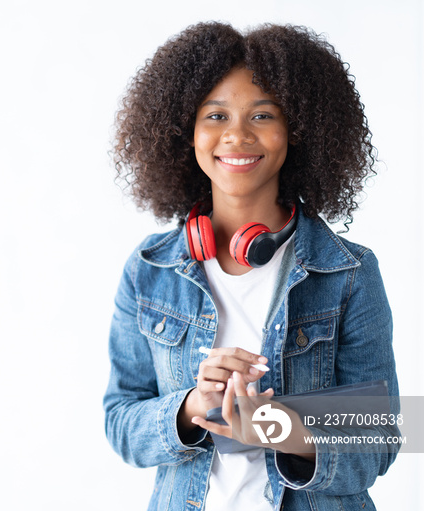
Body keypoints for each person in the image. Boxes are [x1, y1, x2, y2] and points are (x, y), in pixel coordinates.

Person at [103, 22, 399, 511]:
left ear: (297, 130)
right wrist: (193, 407)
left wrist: (273, 424)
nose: (236, 135)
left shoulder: (348, 273)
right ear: (187, 131)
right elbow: (120, 422)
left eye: (262, 115)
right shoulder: (149, 270)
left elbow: (381, 439)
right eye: (215, 115)